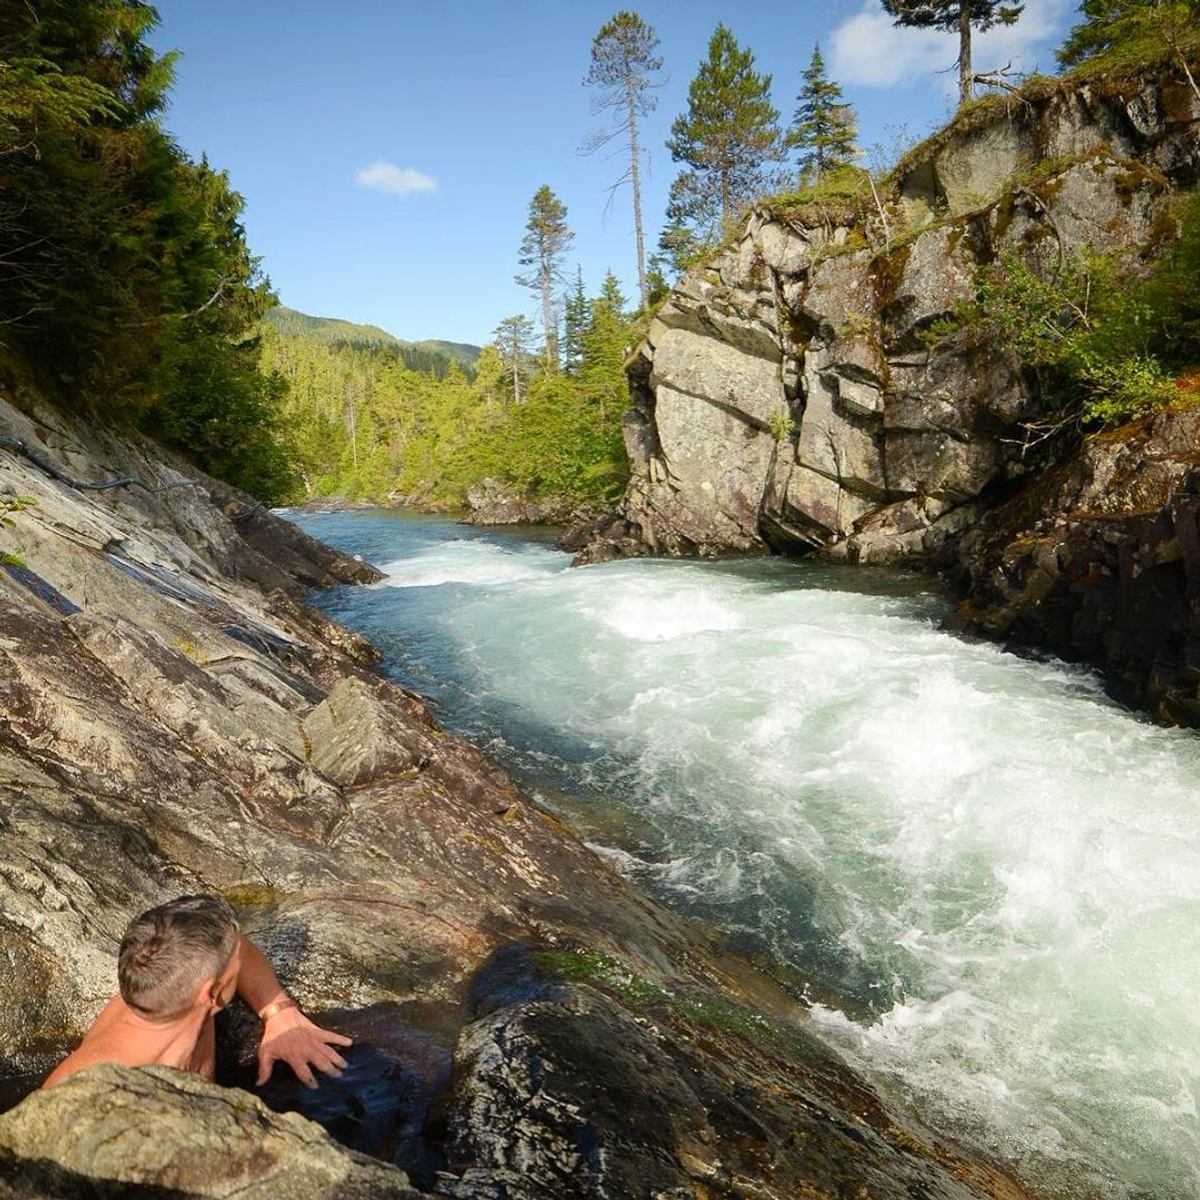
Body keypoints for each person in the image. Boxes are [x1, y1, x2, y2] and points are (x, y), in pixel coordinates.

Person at [42, 894, 351, 1090]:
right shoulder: (89, 1092)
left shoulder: (162, 987)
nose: (238, 955)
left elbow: (236, 946)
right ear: (213, 996)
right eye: (233, 964)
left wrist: (279, 1012)